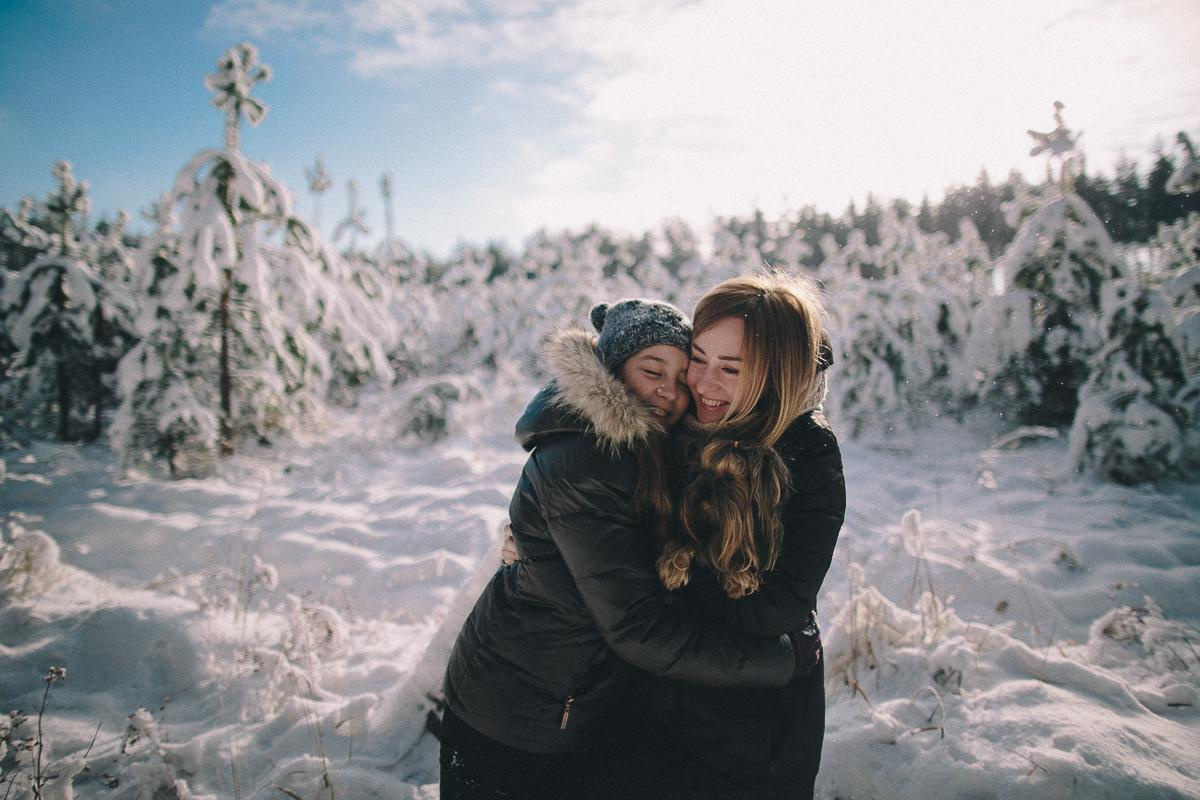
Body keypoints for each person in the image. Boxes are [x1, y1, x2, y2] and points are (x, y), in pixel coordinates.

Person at [439, 298, 816, 800]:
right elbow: (639, 629)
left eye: (683, 377)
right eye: (651, 370)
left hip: (571, 702)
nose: (668, 390)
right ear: (613, 370)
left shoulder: (646, 446)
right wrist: (783, 663)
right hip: (514, 711)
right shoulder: (585, 463)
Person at [636, 273, 846, 799]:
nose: (705, 384)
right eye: (698, 359)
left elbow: (771, 609)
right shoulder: (680, 424)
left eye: (731, 370)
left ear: (776, 374)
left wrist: (655, 573)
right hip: (659, 713)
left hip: (756, 728)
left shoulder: (807, 455)